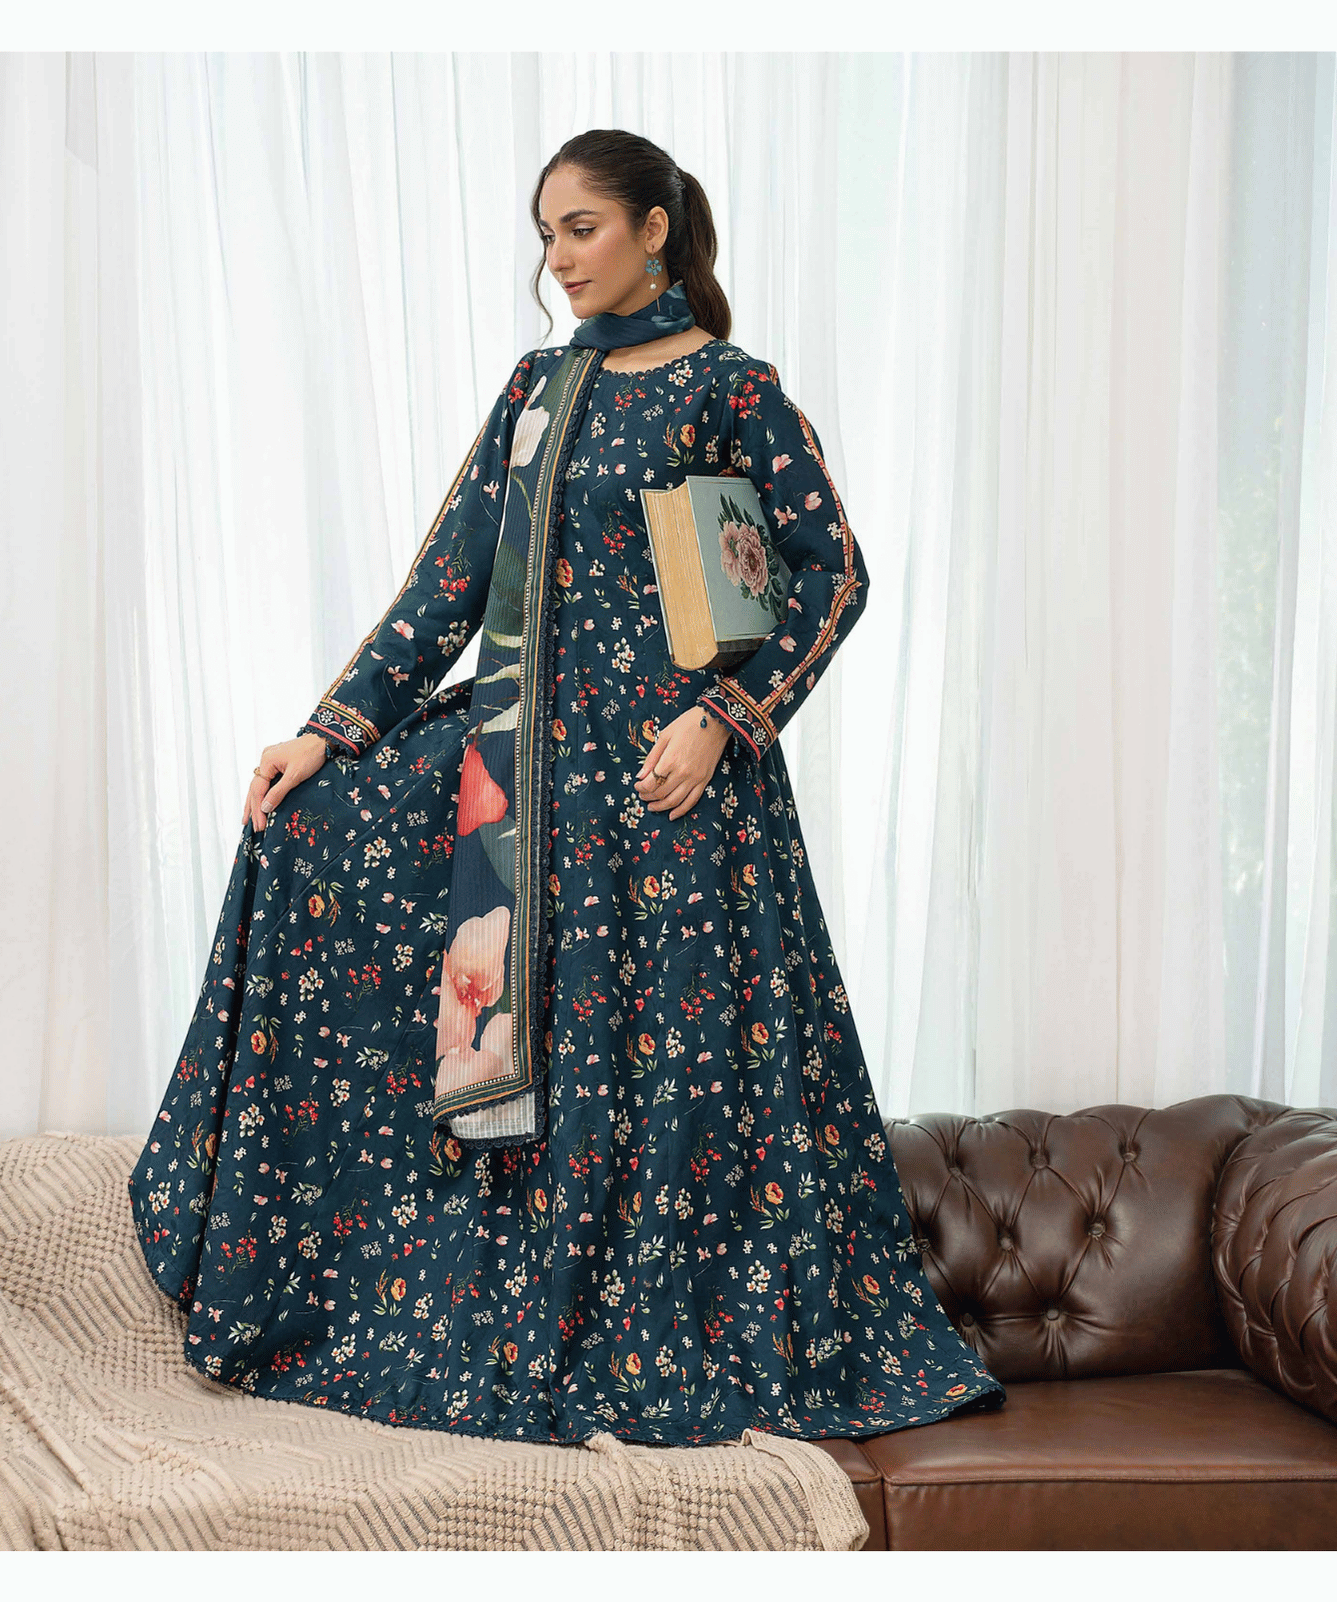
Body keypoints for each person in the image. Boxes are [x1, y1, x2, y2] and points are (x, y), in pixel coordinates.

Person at [128, 128, 1006, 1446]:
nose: (556, 258)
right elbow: (446, 589)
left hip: (670, 799)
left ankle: (680, 1338)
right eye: (544, 234)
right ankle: (479, 1315)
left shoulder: (728, 389)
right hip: (525, 795)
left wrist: (724, 717)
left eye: (580, 227)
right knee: (338, 864)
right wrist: (326, 730)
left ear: (655, 226)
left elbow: (825, 578)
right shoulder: (535, 391)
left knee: (676, 1077)